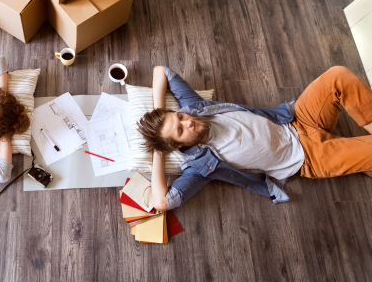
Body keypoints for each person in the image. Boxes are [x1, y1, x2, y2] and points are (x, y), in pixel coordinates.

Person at [138, 65, 372, 212]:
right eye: (180, 131)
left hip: (295, 118)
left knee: (337, 76)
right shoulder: (199, 167)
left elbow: (161, 71)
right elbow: (162, 202)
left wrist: (162, 113)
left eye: (179, 117)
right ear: (179, 144)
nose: (187, 122)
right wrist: (160, 150)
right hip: (308, 157)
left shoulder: (195, 108)